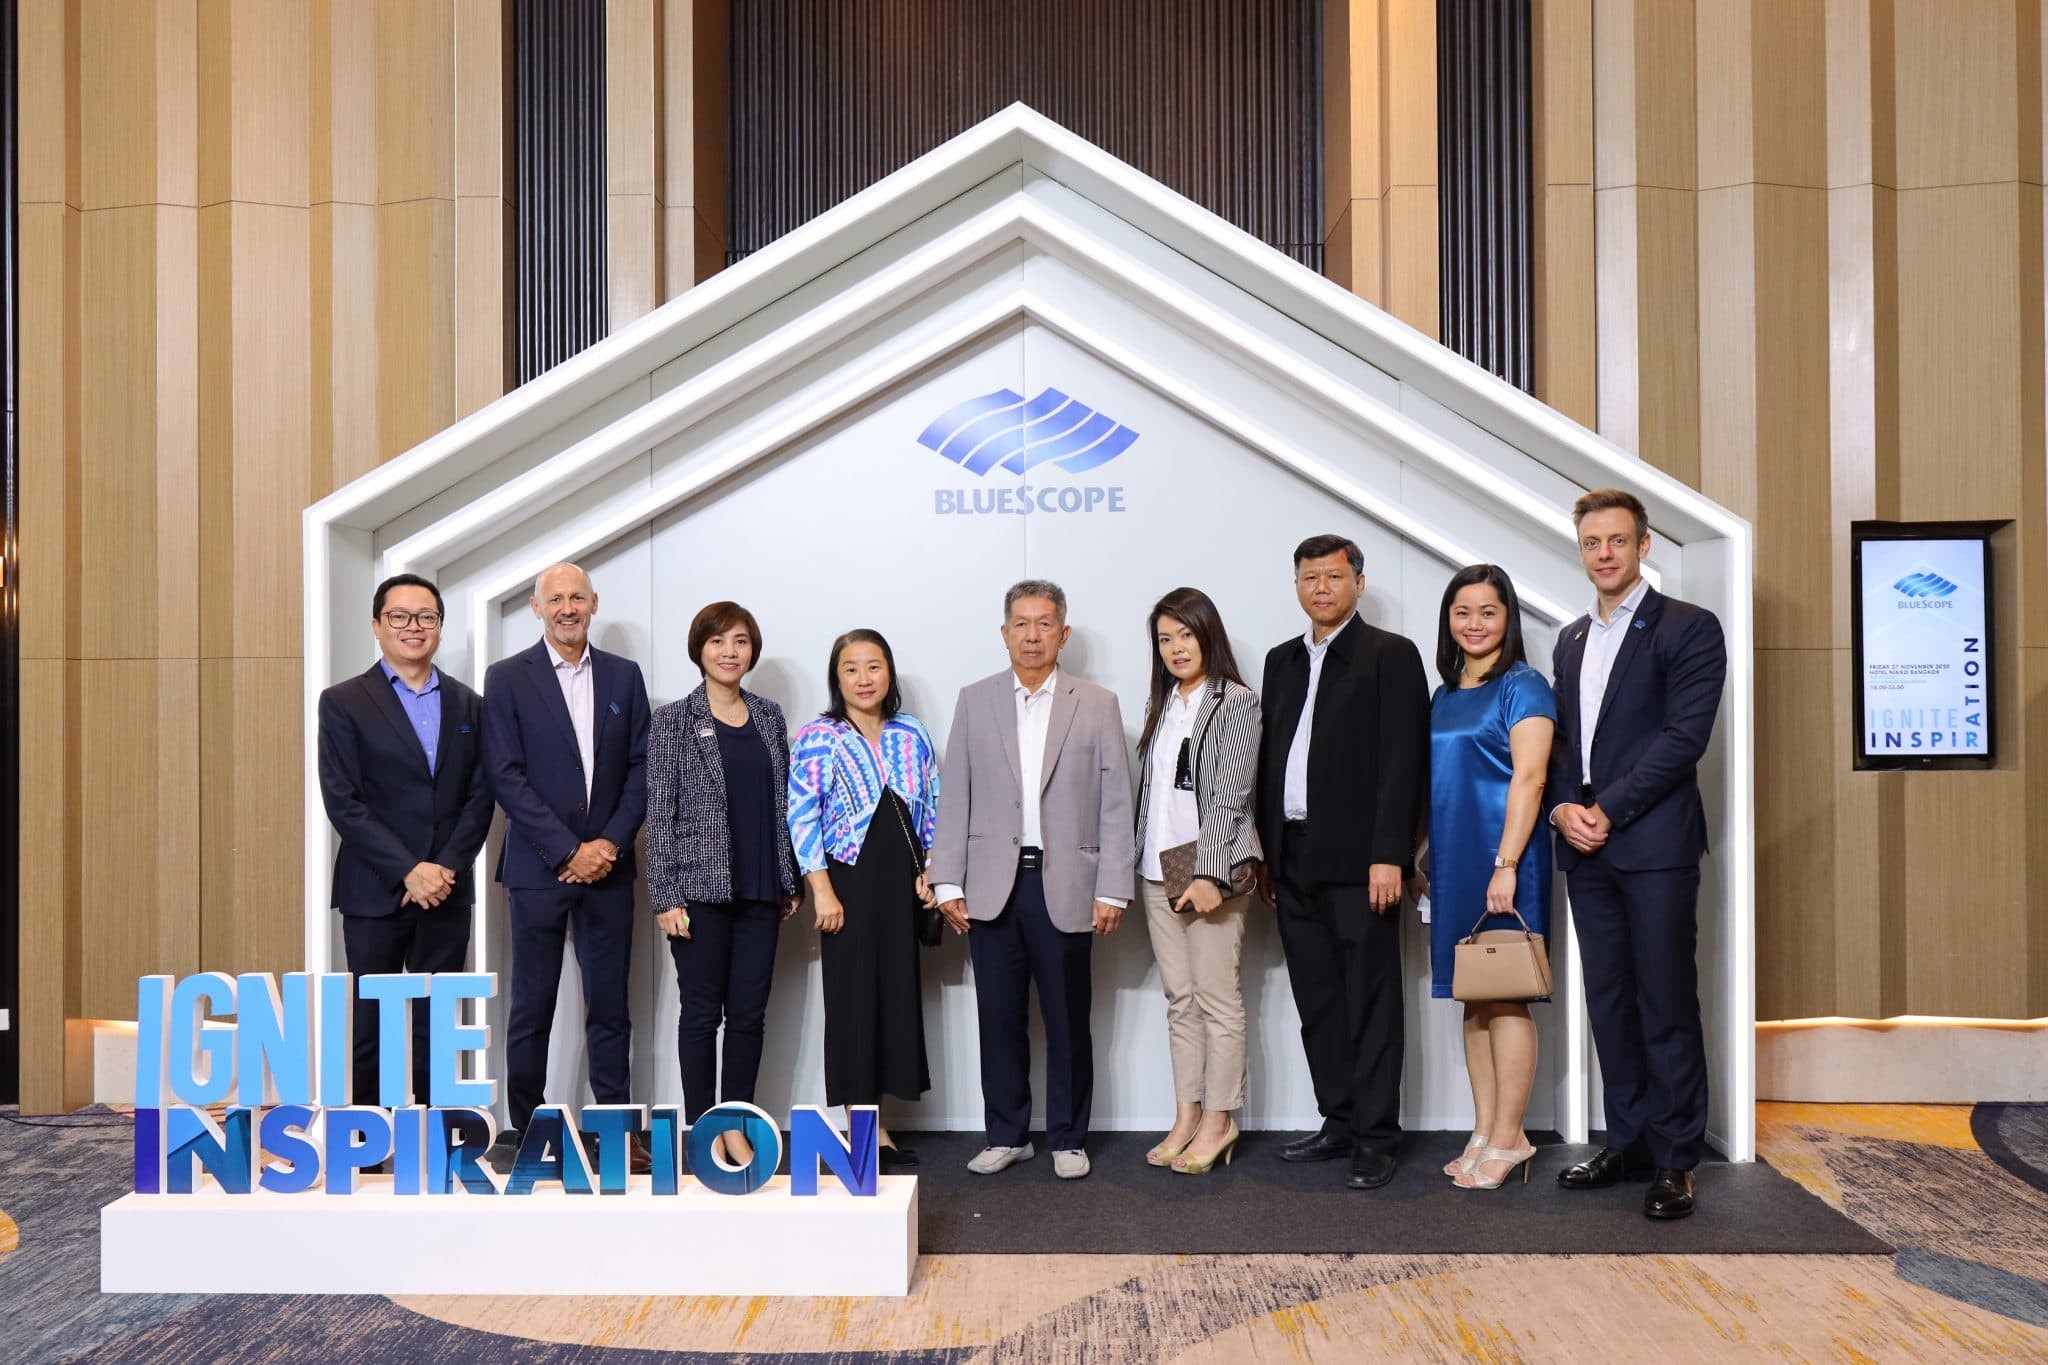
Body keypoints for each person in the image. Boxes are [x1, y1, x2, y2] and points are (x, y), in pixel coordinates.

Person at [1546, 488, 1727, 1220]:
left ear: (1644, 545)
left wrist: (1609, 808)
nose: (1605, 554)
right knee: (1610, 1001)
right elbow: (1562, 740)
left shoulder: (1688, 627)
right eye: (1592, 542)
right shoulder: (1570, 639)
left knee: (1665, 999)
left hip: (1652, 846)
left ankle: (1676, 1158)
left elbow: (1684, 739)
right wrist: (1564, 808)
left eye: (1618, 540)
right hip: (1586, 849)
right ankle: (1627, 1142)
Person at [928, 580, 1135, 1180]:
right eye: (1021, 624)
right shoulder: (975, 699)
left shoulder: (1096, 703)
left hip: (1067, 882)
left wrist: (1112, 887)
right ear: (1004, 633)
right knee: (998, 1017)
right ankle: (1007, 1135)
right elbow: (955, 793)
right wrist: (947, 882)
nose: (1032, 635)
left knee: (1068, 1019)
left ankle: (1068, 1138)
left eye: (1044, 624)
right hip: (992, 886)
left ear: (1063, 633)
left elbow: (1115, 801)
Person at [1254, 533, 1429, 1191]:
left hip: (1363, 864)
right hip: (1292, 858)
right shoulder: (1280, 661)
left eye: (1333, 575)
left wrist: (1390, 855)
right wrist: (1266, 853)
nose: (1321, 587)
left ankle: (1376, 1137)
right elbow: (1271, 759)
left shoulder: (1391, 654)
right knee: (1319, 1000)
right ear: (1296, 585)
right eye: (1309, 577)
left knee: (1372, 1001)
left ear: (1359, 580)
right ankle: (1339, 1119)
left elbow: (1403, 761)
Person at [480, 563, 651, 1175]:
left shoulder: (624, 675)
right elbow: (505, 774)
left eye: (577, 597)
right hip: (537, 869)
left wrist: (607, 844)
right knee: (532, 1005)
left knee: (610, 1008)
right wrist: (567, 850)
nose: (568, 608)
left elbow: (642, 767)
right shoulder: (506, 678)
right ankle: (528, 1129)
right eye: (556, 599)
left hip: (610, 869)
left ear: (594, 603)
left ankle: (615, 1132)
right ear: (537, 608)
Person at [316, 573, 495, 1111]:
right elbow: (343, 800)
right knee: (370, 1023)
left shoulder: (469, 705)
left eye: (426, 617)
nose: (413, 627)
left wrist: (443, 869)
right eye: (399, 616)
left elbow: (481, 796)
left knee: (438, 1023)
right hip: (375, 890)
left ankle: (436, 1133)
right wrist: (408, 870)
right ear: (377, 626)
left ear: (439, 627)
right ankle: (367, 1139)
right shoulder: (343, 701)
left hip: (447, 890)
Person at [646, 601, 801, 1172]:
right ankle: (703, 1129)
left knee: (749, 1016)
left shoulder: (769, 716)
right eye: (717, 641)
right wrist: (665, 895)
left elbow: (782, 802)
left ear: (752, 650)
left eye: (740, 641)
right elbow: (659, 812)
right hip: (697, 892)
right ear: (699, 650)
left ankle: (736, 1124)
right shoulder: (673, 720)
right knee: (700, 1015)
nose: (729, 652)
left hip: (761, 889)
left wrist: (787, 877)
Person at [1417, 564, 1556, 1191]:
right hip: (1454, 858)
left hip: (1505, 856)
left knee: (1506, 994)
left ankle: (1511, 1136)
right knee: (1471, 994)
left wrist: (1506, 865)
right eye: (1462, 612)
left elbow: (1531, 777)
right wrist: (1423, 858)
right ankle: (1484, 1129)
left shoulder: (1524, 686)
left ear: (1508, 618)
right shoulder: (1444, 694)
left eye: (1488, 612)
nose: (1474, 624)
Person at [786, 629, 941, 1173]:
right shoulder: (819, 735)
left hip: (903, 882)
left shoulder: (911, 732)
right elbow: (801, 814)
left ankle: (880, 1126)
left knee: (895, 995)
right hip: (847, 880)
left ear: (889, 672)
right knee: (853, 998)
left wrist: (933, 870)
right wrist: (821, 890)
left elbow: (934, 802)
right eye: (851, 669)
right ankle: (861, 1130)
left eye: (874, 667)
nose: (864, 679)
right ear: (837, 678)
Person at [1132, 587, 1262, 1175]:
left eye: (1186, 634)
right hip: (1156, 871)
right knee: (1179, 1000)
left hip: (1210, 870)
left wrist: (1210, 873)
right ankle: (1186, 1116)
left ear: (1209, 634)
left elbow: (1231, 795)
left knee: (1216, 999)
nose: (1176, 648)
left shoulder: (1234, 700)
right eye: (1165, 639)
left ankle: (1219, 1120)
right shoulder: (1162, 704)